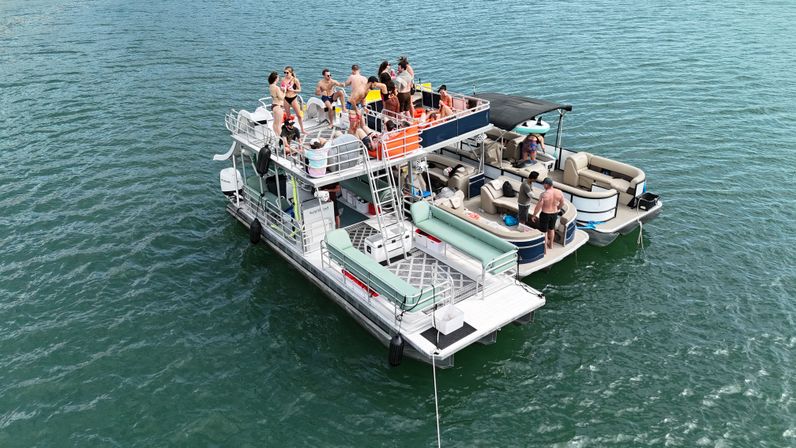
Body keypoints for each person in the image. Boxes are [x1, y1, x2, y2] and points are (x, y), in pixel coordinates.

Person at [532, 177, 566, 254]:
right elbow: (562, 203)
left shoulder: (544, 194)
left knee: (544, 231)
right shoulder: (559, 192)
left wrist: (534, 215)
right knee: (551, 229)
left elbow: (538, 206)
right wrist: (558, 208)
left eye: (544, 184)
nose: (543, 186)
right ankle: (551, 245)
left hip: (545, 214)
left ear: (547, 185)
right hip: (554, 213)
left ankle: (545, 250)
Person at [281, 66, 305, 133]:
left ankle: (302, 129)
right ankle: (288, 130)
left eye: (287, 73)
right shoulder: (283, 79)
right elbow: (281, 88)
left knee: (299, 115)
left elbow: (299, 90)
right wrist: (282, 89)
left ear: (291, 73)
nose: (285, 74)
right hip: (286, 98)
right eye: (284, 72)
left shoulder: (295, 80)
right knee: (288, 117)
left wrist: (293, 90)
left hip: (293, 98)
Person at [268, 71, 285, 140]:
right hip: (278, 106)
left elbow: (275, 95)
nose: (278, 78)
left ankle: (277, 137)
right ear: (275, 78)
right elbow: (281, 98)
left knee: (275, 124)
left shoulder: (271, 86)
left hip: (274, 106)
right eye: (278, 77)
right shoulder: (276, 87)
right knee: (279, 125)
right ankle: (282, 139)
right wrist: (284, 91)